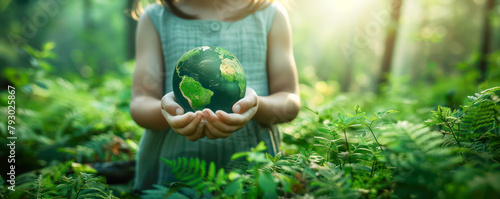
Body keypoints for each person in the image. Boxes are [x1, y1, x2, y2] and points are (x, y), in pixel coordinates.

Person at [129, 0, 300, 192]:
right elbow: (139, 104)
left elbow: (289, 100)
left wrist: (257, 106)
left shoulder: (271, 15)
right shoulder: (156, 18)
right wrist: (169, 112)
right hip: (172, 181)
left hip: (254, 176)